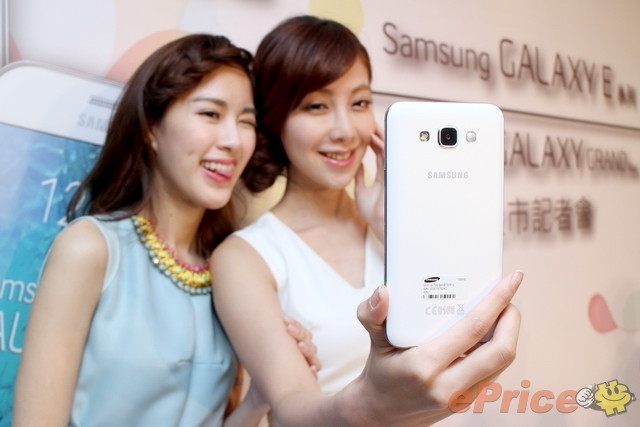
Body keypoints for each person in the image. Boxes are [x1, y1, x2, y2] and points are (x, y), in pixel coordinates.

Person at [211, 15, 523, 426]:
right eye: (316, 105)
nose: (345, 130)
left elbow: (468, 332)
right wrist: (368, 402)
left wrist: (390, 227)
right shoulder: (246, 257)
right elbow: (288, 408)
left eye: (359, 103)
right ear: (275, 118)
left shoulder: (389, 227)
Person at [12, 33, 318, 427]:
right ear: (151, 128)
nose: (233, 140)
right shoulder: (91, 249)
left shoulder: (231, 272)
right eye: (210, 114)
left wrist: (260, 398)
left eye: (246, 122)